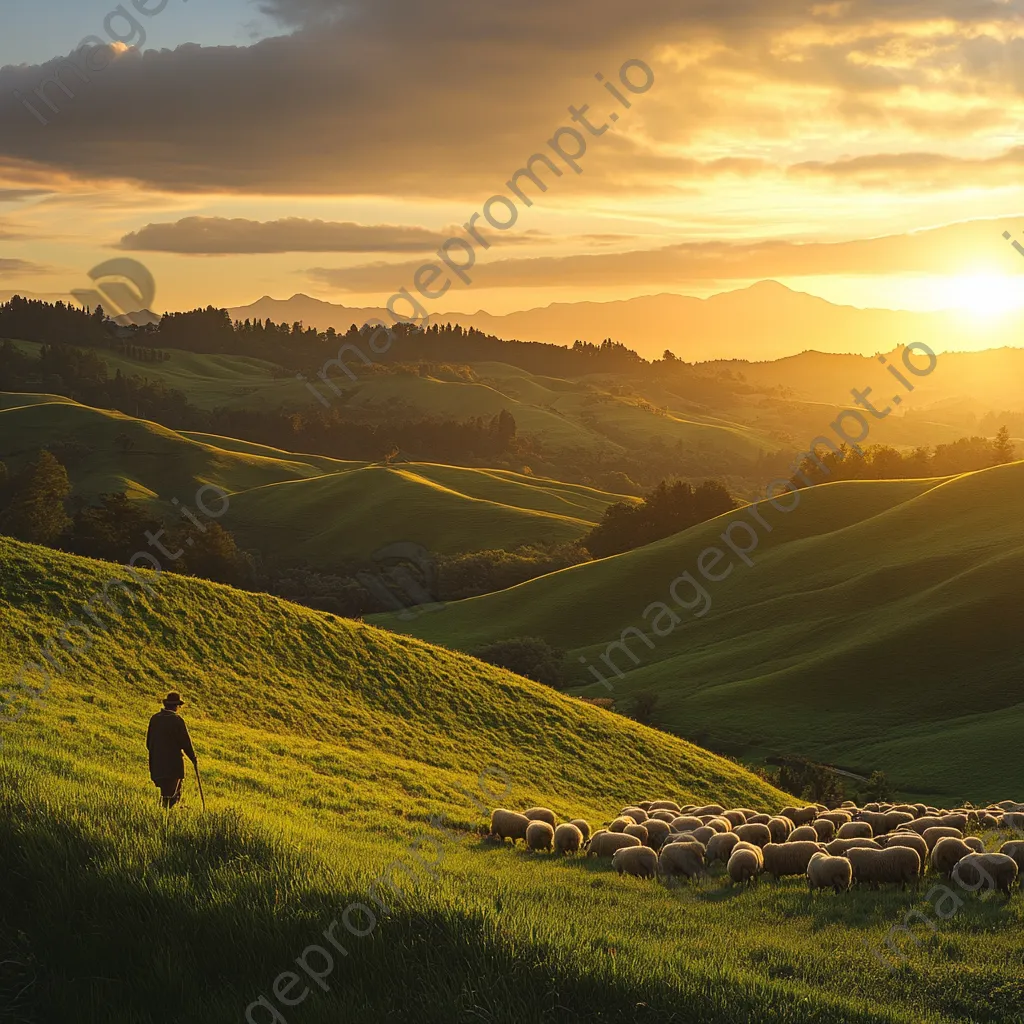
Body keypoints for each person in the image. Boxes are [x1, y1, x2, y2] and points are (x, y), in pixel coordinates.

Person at [146, 691, 197, 808]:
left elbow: (148, 743)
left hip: (157, 764)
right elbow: (186, 743)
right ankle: (168, 818)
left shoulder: (154, 719)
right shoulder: (177, 720)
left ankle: (164, 815)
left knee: (165, 793)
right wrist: (193, 758)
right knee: (173, 795)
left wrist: (157, 754)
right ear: (176, 706)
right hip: (173, 765)